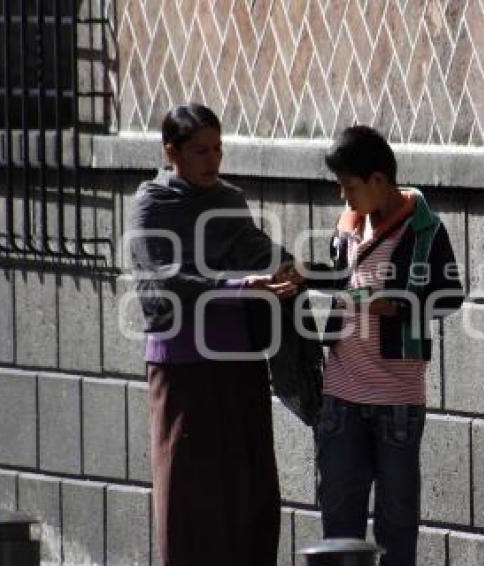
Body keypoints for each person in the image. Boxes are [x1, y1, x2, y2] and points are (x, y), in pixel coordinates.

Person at [128, 103, 300, 566]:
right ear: (171, 152)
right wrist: (241, 283)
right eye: (200, 151)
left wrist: (288, 265)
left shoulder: (228, 199)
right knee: (191, 490)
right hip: (184, 363)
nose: (212, 160)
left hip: (239, 361)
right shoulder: (152, 205)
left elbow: (254, 247)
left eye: (218, 149)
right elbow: (165, 278)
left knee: (250, 483)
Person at [313, 125, 464, 566]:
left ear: (379, 181)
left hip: (398, 399)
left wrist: (396, 307)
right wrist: (305, 275)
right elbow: (342, 281)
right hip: (340, 395)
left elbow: (450, 296)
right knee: (339, 522)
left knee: (397, 524)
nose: (345, 199)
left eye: (350, 188)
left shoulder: (426, 230)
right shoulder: (347, 227)